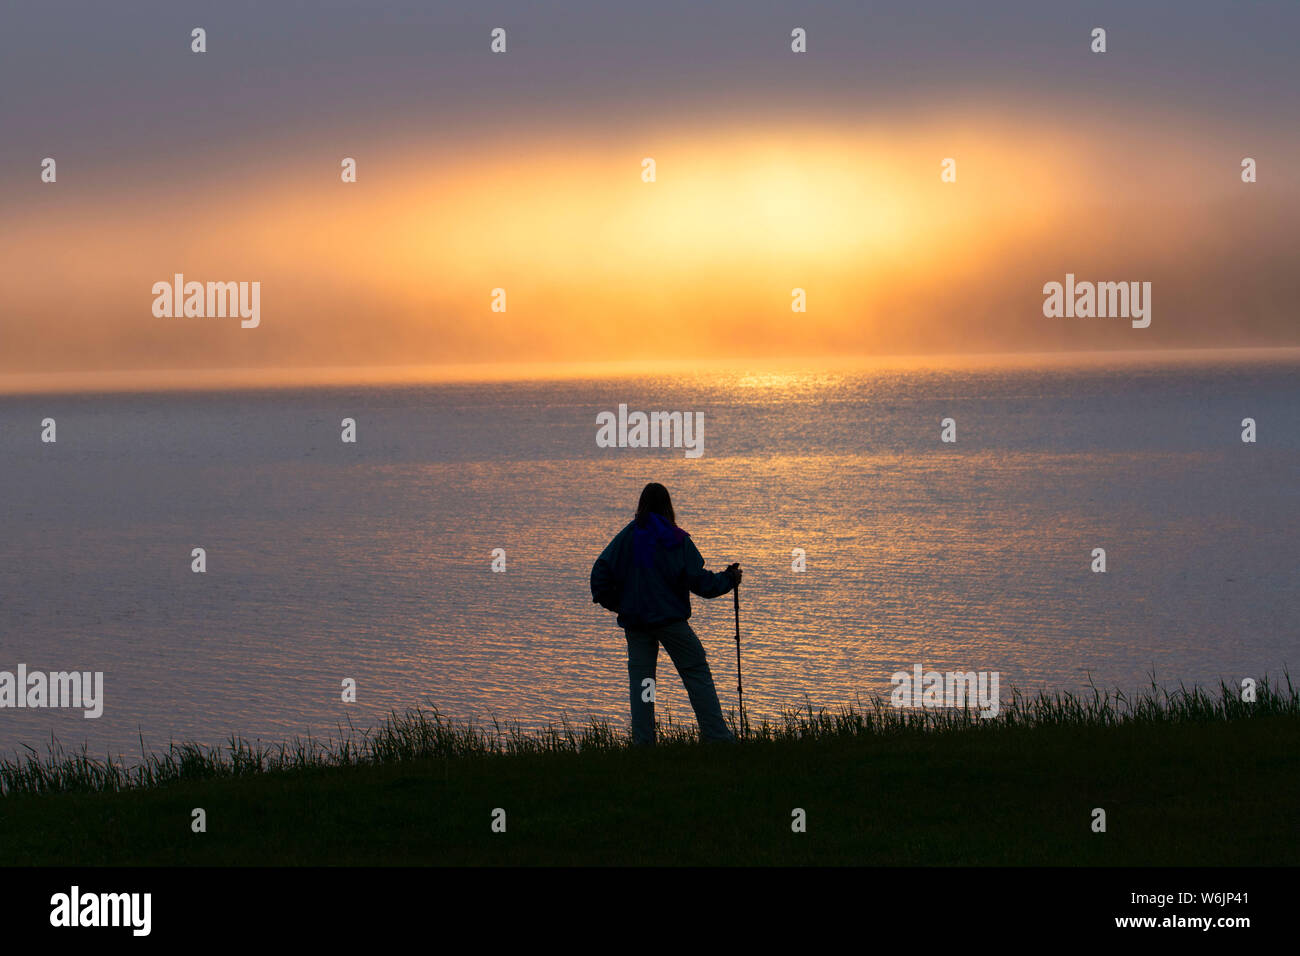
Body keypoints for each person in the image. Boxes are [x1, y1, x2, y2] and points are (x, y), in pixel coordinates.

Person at [590, 482, 742, 745]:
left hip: (637, 623)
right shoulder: (676, 538)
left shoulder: (626, 537)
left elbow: (599, 576)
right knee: (696, 672)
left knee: (643, 683)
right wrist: (729, 578)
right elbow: (701, 584)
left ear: (641, 505)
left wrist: (622, 603)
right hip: (670, 621)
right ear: (668, 506)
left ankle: (644, 744)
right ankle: (718, 738)